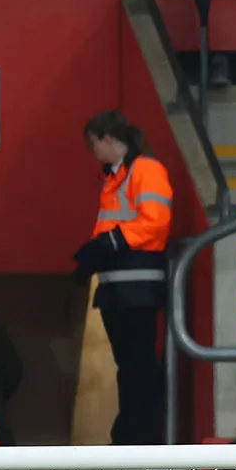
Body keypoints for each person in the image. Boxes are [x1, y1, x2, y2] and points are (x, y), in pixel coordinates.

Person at [76, 111, 170, 445]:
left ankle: (138, 442)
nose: (93, 152)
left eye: (93, 144)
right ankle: (134, 440)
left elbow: (155, 221)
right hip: (121, 289)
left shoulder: (145, 170)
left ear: (109, 139)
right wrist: (96, 254)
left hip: (137, 289)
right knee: (130, 370)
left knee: (136, 371)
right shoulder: (117, 177)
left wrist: (110, 243)